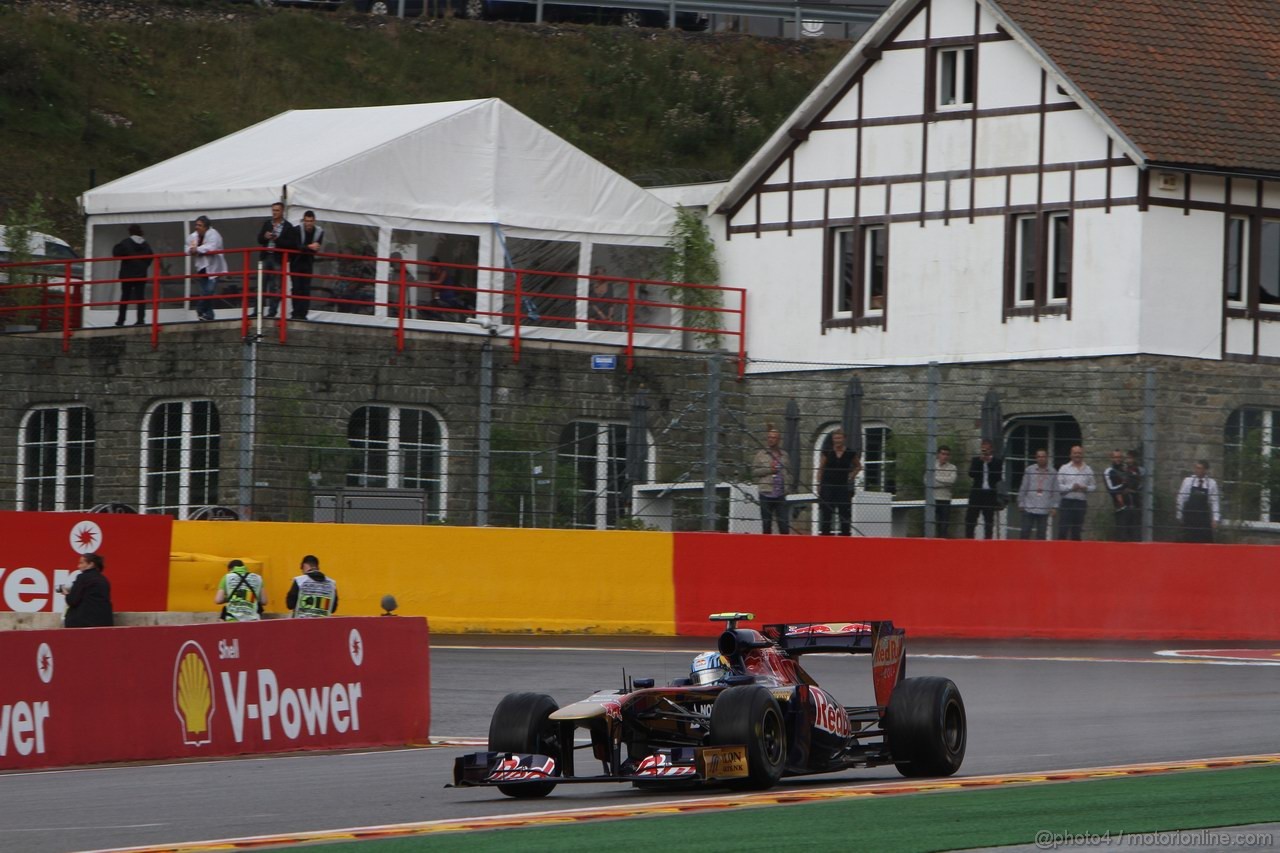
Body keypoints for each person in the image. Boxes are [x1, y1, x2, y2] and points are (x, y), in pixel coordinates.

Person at [256, 202, 299, 319]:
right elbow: (259, 239)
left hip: (278, 259)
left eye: (277, 210)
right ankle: (257, 311)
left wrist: (277, 239)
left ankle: (272, 311)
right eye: (273, 210)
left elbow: (291, 244)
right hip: (266, 256)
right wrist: (265, 237)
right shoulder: (267, 223)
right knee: (261, 284)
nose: (274, 213)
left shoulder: (288, 227)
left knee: (276, 286)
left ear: (282, 212)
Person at [817, 428, 861, 535]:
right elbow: (821, 468)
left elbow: (858, 466)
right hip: (828, 484)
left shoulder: (850, 452)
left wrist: (852, 475)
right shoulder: (827, 451)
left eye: (839, 438)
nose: (837, 440)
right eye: (835, 438)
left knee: (844, 512)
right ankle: (825, 535)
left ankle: (845, 535)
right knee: (827, 512)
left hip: (842, 485)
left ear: (844, 439)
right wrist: (818, 483)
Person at [751, 425, 792, 534]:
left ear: (778, 440)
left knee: (784, 525)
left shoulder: (784, 455)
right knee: (766, 524)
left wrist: (788, 487)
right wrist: (769, 470)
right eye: (769, 437)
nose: (771, 440)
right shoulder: (761, 455)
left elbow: (788, 472)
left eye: (773, 437)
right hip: (766, 493)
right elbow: (754, 472)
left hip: (780, 494)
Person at [187, 215, 227, 322]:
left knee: (209, 291)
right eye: (196, 225)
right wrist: (191, 250)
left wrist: (197, 249)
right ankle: (209, 316)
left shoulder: (214, 234)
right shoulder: (194, 235)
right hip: (201, 267)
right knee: (205, 292)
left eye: (199, 225)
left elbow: (211, 247)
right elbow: (187, 246)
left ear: (206, 227)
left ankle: (200, 309)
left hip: (213, 268)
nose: (197, 227)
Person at [112, 224, 152, 327]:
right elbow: (150, 257)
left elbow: (116, 253)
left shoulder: (126, 243)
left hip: (127, 274)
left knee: (125, 298)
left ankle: (121, 320)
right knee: (140, 298)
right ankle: (140, 319)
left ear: (130, 232)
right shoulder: (146, 244)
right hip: (141, 274)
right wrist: (143, 266)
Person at [60, 552, 113, 628]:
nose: (78, 566)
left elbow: (72, 601)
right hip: (104, 622)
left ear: (91, 564)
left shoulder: (82, 578)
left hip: (84, 623)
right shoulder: (104, 579)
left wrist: (66, 593)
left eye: (81, 563)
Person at [1056, 445, 1096, 540]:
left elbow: (1093, 487)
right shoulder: (1064, 468)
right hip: (1067, 502)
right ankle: (1060, 552)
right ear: (1071, 455)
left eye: (1079, 453)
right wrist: (1071, 487)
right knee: (1063, 531)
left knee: (1076, 532)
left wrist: (1085, 488)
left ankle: (1076, 553)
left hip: (1080, 503)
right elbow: (1057, 486)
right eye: (1075, 453)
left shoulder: (1088, 469)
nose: (1077, 455)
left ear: (1082, 455)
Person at [965, 439, 1002, 539]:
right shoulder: (976, 460)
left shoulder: (997, 461)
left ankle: (988, 542)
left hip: (989, 495)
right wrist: (981, 463)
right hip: (977, 494)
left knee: (989, 521)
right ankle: (969, 541)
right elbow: (971, 474)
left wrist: (989, 463)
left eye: (987, 449)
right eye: (983, 449)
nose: (985, 451)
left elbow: (998, 477)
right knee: (970, 519)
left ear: (991, 449)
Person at [290, 211, 324, 321]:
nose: (308, 224)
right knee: (296, 288)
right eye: (306, 221)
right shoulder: (296, 230)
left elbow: (317, 247)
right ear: (303, 221)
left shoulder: (319, 231)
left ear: (314, 221)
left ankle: (303, 314)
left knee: (305, 289)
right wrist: (309, 247)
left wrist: (307, 247)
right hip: (296, 262)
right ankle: (296, 313)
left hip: (308, 262)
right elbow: (298, 246)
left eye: (310, 221)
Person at [1017, 448, 1057, 540]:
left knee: (1041, 535)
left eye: (1043, 457)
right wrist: (1021, 502)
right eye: (1039, 457)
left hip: (1044, 508)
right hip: (1029, 506)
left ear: (1047, 458)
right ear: (1036, 458)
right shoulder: (1029, 470)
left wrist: (1054, 506)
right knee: (1025, 532)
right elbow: (1024, 487)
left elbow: (1055, 490)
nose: (1041, 459)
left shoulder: (1053, 472)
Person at [1177, 460, 1220, 543]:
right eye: (1196, 468)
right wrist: (1179, 515)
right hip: (1189, 517)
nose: (1197, 470)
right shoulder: (1187, 481)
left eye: (1200, 468)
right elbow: (1181, 498)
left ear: (1205, 470)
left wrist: (1215, 519)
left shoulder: (1212, 484)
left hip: (1203, 518)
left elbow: (1215, 501)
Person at [1104, 448, 1140, 541]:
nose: (1118, 459)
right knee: (1122, 539)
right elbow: (1111, 489)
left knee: (1135, 538)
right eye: (1115, 457)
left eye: (1119, 457)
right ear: (1111, 458)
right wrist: (1124, 485)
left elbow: (1136, 484)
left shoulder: (1126, 470)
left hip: (1134, 508)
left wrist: (1127, 486)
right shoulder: (1109, 471)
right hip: (1121, 509)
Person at [926, 445, 957, 537]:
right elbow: (927, 481)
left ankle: (942, 542)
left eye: (947, 454)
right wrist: (944, 482)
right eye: (943, 454)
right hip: (932, 498)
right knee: (931, 523)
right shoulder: (931, 465)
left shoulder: (952, 467)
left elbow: (951, 481)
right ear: (938, 454)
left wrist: (935, 478)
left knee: (944, 524)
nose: (945, 456)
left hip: (945, 498)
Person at [388, 252, 417, 319]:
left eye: (391, 260)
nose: (390, 263)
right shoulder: (393, 272)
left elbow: (412, 281)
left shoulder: (405, 272)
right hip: (392, 301)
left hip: (399, 302)